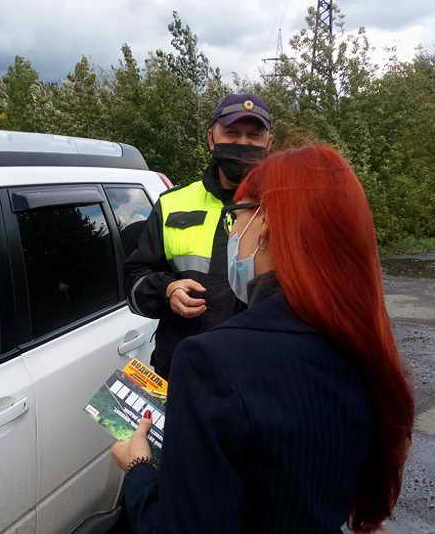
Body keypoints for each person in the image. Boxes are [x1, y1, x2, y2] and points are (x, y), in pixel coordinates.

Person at [111, 145, 415, 533]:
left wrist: (138, 468)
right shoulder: (362, 340)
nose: (232, 233)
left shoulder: (212, 361)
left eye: (234, 217)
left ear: (266, 222)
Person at [123, 93, 274, 378]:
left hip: (260, 378)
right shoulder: (172, 203)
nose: (242, 143)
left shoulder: (290, 207)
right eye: (231, 133)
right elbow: (134, 279)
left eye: (253, 135)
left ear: (269, 144)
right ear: (210, 138)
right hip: (184, 372)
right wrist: (167, 290)